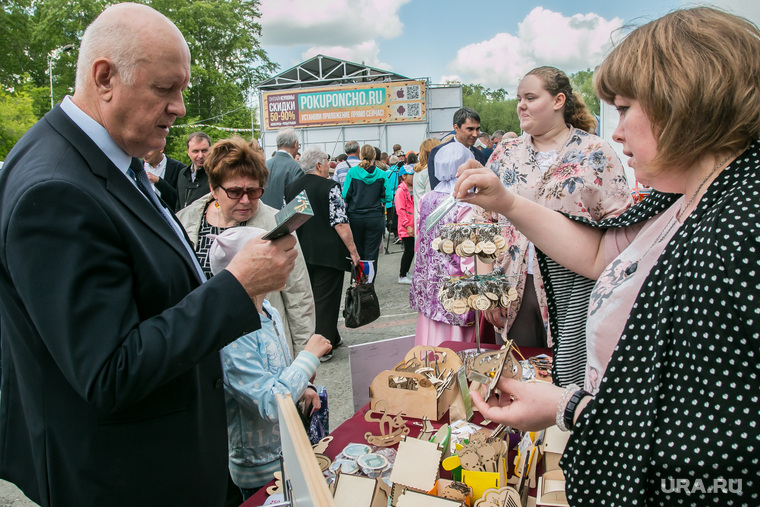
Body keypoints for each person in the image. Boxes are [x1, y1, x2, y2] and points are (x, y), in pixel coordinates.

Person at [458, 7, 760, 504]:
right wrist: (506, 203)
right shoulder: (692, 196)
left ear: (679, 103)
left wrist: (571, 407)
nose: (615, 133)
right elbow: (600, 250)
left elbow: (711, 453)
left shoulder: (737, 231)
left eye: (623, 108)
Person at [0, 4, 298, 506]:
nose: (181, 107)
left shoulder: (108, 160)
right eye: (165, 89)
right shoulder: (55, 190)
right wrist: (237, 288)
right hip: (128, 479)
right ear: (104, 78)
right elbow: (109, 371)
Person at [478, 66, 631, 387]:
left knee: (568, 379)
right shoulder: (506, 153)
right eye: (519, 98)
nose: (521, 105)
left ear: (559, 100)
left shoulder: (594, 152)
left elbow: (618, 224)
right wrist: (487, 285)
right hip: (512, 286)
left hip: (575, 290)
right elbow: (485, 221)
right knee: (516, 375)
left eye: (531, 97)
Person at [207, 227, 331, 500]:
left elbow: (274, 374)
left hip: (286, 450)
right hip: (260, 468)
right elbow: (270, 403)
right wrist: (308, 359)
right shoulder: (233, 333)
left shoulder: (269, 311)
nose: (285, 263)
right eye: (272, 256)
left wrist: (301, 390)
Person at [177, 136, 315, 354]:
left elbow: (299, 295)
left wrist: (304, 360)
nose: (245, 200)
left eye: (253, 191)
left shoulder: (275, 223)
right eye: (234, 192)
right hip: (204, 349)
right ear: (213, 189)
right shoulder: (186, 222)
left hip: (262, 355)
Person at [285, 147, 361, 360]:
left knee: (310, 297)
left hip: (302, 250)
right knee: (326, 300)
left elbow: (288, 220)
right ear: (319, 165)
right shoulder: (330, 187)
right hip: (328, 251)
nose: (329, 165)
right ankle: (323, 345)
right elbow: (340, 222)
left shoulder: (292, 188)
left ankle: (332, 337)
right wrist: (353, 252)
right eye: (327, 161)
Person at [410, 142, 477, 346]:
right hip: (455, 288)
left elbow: (419, 241)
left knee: (429, 340)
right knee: (455, 346)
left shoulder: (427, 199)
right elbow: (469, 258)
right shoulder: (466, 203)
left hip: (430, 284)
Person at [342, 144, 389, 276]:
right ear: (375, 156)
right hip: (374, 217)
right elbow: (388, 196)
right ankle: (369, 285)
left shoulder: (352, 172)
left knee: (357, 252)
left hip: (355, 217)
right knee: (371, 254)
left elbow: (345, 195)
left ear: (360, 155)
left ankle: (358, 282)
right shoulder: (382, 174)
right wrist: (380, 202)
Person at [428, 107, 489, 190]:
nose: (475, 134)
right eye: (470, 129)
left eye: (477, 129)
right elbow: (436, 187)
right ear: (456, 128)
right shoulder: (439, 152)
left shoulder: (479, 155)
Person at [262, 128, 303, 210]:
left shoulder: (264, 166)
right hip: (284, 219)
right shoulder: (296, 168)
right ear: (295, 144)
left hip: (263, 218)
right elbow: (299, 203)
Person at [412, 138, 441, 233]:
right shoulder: (430, 172)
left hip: (420, 217)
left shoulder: (418, 171)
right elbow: (431, 197)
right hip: (431, 219)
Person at [177, 131, 212, 209]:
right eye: (195, 151)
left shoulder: (216, 174)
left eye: (204, 151)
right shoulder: (183, 174)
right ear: (188, 152)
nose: (200, 156)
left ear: (210, 150)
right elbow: (179, 204)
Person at [395, 164, 415, 284]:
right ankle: (402, 275)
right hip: (406, 226)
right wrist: (407, 225)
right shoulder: (400, 191)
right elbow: (400, 210)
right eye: (411, 175)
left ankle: (406, 272)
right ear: (404, 176)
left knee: (411, 250)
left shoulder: (412, 189)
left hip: (412, 225)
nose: (413, 177)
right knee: (408, 250)